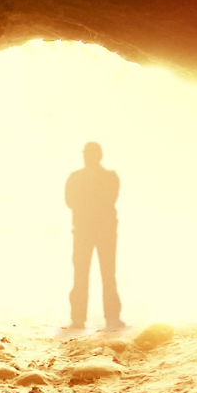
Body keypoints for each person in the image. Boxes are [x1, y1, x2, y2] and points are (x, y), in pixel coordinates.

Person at [58, 141, 124, 336]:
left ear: (98, 156)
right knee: (82, 274)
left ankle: (111, 317)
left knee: (107, 273)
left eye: (91, 154)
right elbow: (69, 201)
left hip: (102, 231)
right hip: (85, 232)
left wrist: (88, 194)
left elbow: (109, 197)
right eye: (87, 154)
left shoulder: (109, 177)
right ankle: (79, 318)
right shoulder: (77, 178)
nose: (89, 158)